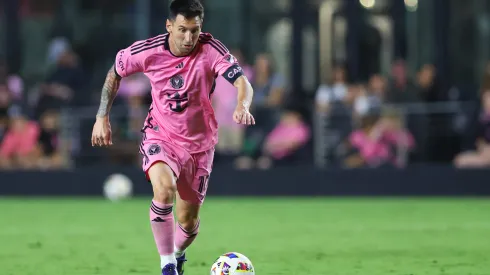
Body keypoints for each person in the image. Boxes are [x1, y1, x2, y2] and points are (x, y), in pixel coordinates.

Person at [90, 1, 255, 274]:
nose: (189, 38)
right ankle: (167, 266)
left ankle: (177, 254)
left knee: (188, 223)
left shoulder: (212, 49)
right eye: (182, 30)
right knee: (164, 190)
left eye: (194, 30)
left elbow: (242, 82)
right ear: (169, 26)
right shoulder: (147, 51)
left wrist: (242, 105)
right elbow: (114, 73)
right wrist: (101, 116)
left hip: (200, 145)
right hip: (161, 135)